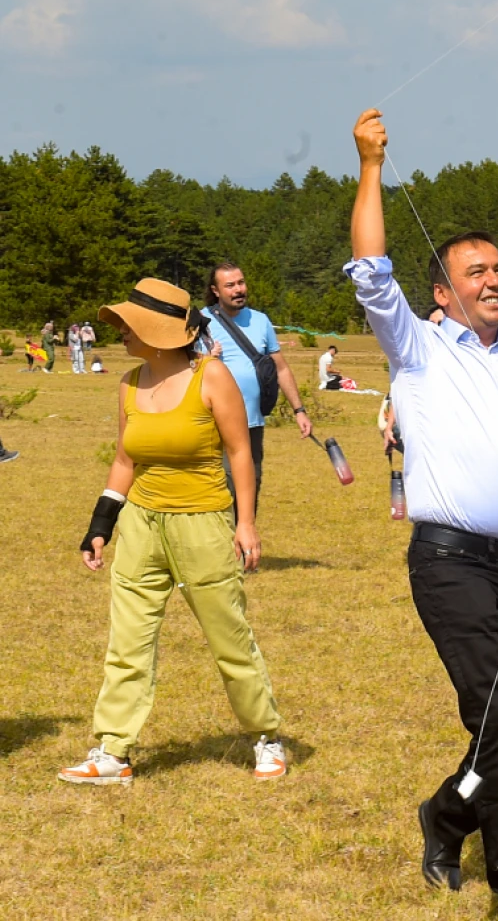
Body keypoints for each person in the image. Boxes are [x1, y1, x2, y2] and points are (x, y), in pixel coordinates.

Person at [349, 109, 498, 921]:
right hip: (450, 564)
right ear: (444, 295)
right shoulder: (417, 349)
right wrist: (372, 164)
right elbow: (369, 266)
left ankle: (448, 813)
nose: (494, 279)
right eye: (475, 272)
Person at [59, 277, 284, 787]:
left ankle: (265, 736)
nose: (120, 333)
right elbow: (124, 459)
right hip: (141, 525)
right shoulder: (130, 382)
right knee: (128, 641)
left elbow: (240, 453)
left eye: (130, 326)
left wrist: (245, 523)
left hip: (203, 523)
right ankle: (113, 751)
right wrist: (100, 526)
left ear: (159, 332)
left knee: (229, 638)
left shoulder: (212, 377)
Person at [201, 263, 313, 515]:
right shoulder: (201, 322)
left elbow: (281, 368)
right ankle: (225, 549)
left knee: (252, 483)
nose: (238, 289)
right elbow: (184, 369)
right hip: (214, 424)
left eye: (241, 283)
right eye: (230, 285)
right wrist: (205, 358)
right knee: (224, 485)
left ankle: (244, 544)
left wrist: (300, 410)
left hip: (253, 423)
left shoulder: (261, 321)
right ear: (215, 290)